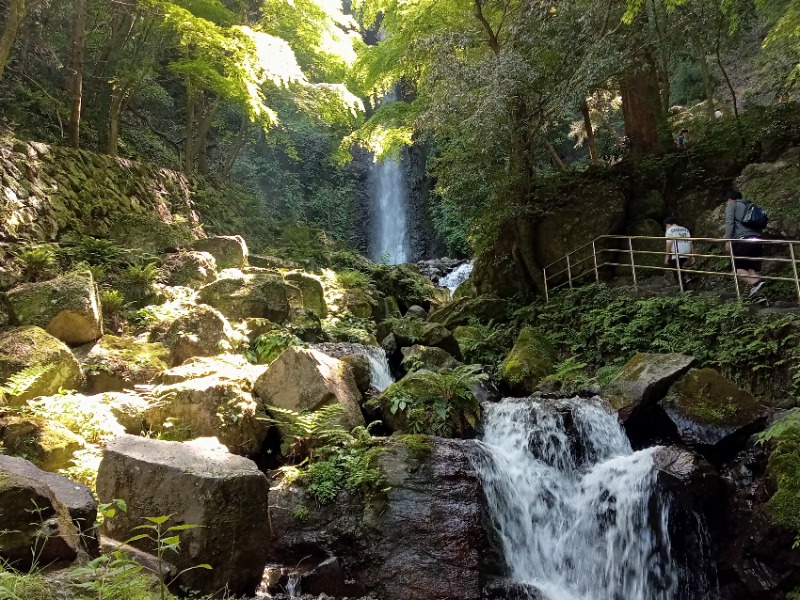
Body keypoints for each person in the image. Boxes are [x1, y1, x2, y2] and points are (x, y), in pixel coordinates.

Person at [724, 190, 764, 298]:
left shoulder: (732, 205)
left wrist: (727, 240)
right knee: (750, 269)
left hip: (743, 240)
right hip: (757, 239)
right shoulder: (751, 205)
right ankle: (760, 295)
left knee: (736, 270)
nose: (727, 204)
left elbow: (729, 223)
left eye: (726, 202)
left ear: (730, 200)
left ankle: (757, 283)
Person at [664, 217, 695, 287]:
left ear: (668, 224)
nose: (666, 228)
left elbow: (669, 243)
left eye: (666, 226)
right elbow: (690, 243)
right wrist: (692, 256)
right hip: (686, 252)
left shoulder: (670, 230)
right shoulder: (685, 229)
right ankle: (684, 279)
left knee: (674, 266)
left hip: (677, 252)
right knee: (678, 266)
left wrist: (667, 256)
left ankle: (682, 284)